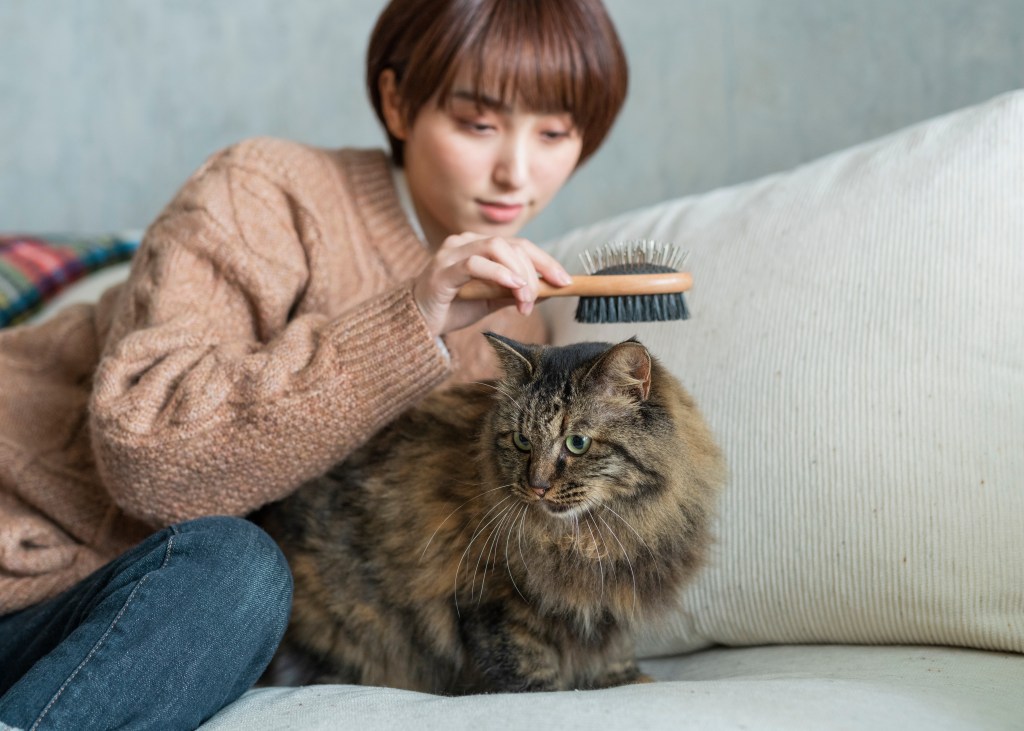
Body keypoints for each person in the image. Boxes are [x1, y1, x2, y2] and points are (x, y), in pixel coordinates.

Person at [0, 0, 628, 727]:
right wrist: (410, 321)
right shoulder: (267, 190)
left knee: (243, 586)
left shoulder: (522, 330)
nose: (516, 170)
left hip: (124, 620)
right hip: (21, 554)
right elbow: (144, 454)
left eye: (554, 133)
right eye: (478, 123)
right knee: (238, 569)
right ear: (397, 101)